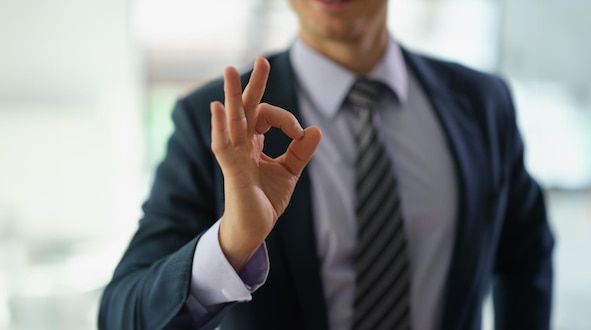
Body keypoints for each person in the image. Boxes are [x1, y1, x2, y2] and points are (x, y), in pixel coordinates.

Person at [99, 0, 554, 329]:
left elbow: (526, 252)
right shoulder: (214, 123)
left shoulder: (482, 103)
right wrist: (231, 244)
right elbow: (122, 314)